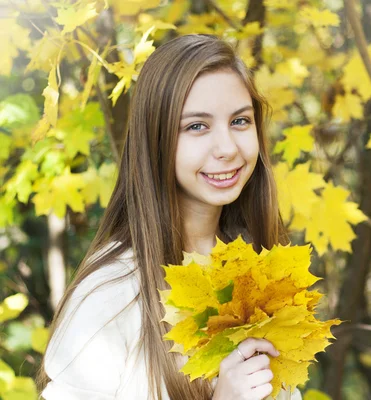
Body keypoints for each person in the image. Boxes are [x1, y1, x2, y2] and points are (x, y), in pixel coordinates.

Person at [36, 34, 301, 400]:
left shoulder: (258, 271)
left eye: (240, 121)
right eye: (197, 126)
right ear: (156, 138)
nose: (227, 148)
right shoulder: (111, 293)